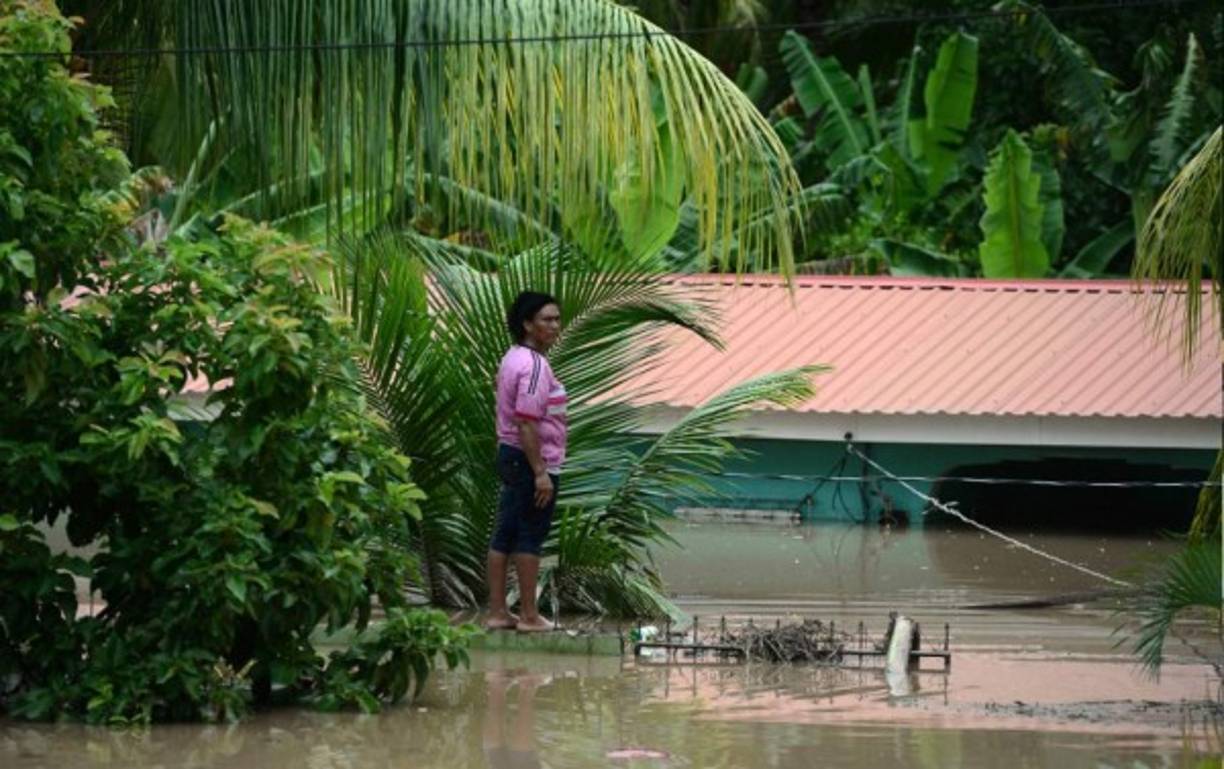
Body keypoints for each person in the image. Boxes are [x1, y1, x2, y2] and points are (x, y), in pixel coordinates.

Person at [486, 291, 566, 632]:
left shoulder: (512, 358)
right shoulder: (534, 366)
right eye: (547, 320)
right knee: (529, 534)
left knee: (504, 533)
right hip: (529, 458)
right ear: (527, 324)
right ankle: (530, 617)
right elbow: (526, 421)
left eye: (556, 319)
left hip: (510, 453)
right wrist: (540, 473)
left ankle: (498, 613)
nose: (555, 326)